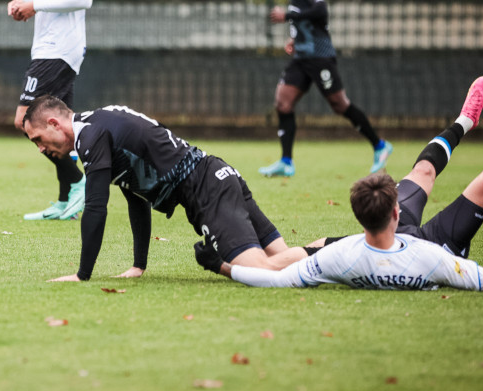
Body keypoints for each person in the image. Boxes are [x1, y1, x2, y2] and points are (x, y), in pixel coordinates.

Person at [220, 72, 483, 291]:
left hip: (379, 242)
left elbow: (280, 281)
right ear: (395, 212)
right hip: (436, 241)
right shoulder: (432, 260)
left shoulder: (342, 254)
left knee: (422, 171)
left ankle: (464, 121)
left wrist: (223, 266)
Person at [21, 96, 309, 281]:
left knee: (258, 270)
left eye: (37, 139)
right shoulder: (98, 124)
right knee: (281, 260)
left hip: (208, 190)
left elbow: (96, 206)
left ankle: (343, 250)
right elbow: (136, 198)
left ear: (54, 123)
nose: (40, 148)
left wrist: (82, 275)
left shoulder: (89, 136)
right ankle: (337, 250)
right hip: (217, 177)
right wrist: (139, 265)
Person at [259, 0, 392, 178]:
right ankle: (286, 162)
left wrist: (287, 16)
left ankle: (380, 146)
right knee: (283, 103)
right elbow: (308, 21)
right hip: (302, 57)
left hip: (319, 56)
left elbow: (320, 11)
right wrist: (293, 37)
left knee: (340, 105)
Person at [8, 0, 91, 221]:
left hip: (56, 52)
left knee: (26, 120)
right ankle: (64, 201)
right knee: (60, 130)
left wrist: (36, 4)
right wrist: (29, 3)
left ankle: (79, 183)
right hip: (54, 49)